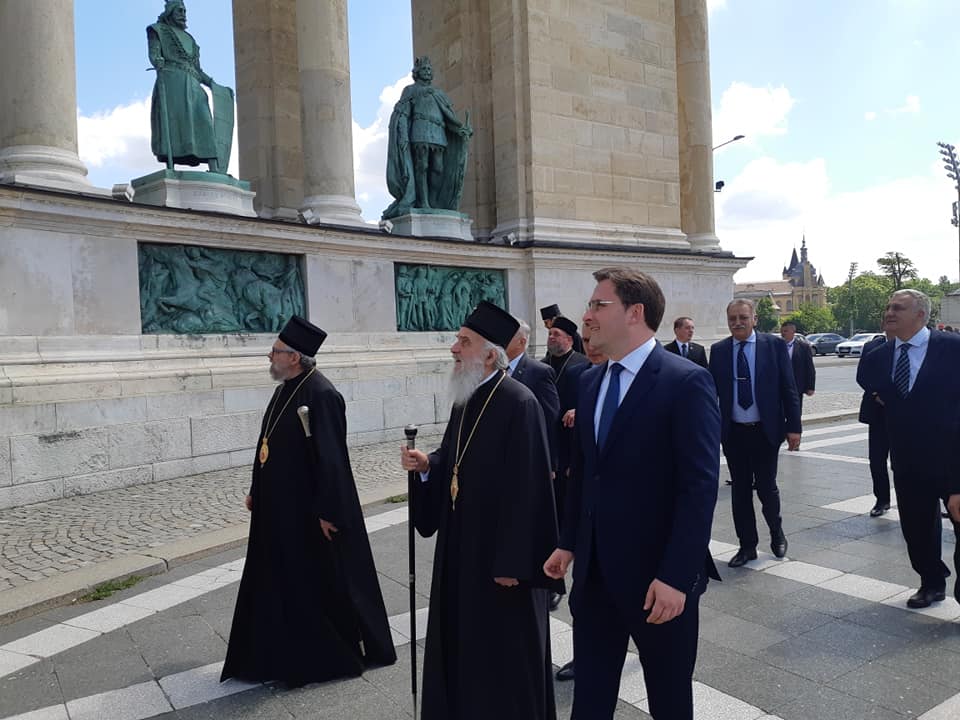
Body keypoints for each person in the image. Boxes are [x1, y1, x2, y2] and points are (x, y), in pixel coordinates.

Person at [544, 267, 721, 720]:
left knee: (668, 698)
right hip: (595, 576)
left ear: (635, 313)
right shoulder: (588, 381)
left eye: (598, 305)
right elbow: (584, 473)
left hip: (657, 582)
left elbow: (698, 486)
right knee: (591, 697)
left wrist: (677, 577)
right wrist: (567, 541)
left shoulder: (685, 381)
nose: (587, 315)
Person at [400, 301, 560, 720]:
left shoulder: (520, 403)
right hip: (461, 551)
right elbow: (452, 457)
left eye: (464, 341)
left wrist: (514, 563)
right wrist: (427, 466)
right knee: (464, 647)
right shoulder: (466, 398)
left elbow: (530, 491)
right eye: (457, 340)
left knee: (502, 660)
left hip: (499, 565)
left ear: (491, 354)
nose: (454, 348)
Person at [221, 316, 396, 686]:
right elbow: (266, 443)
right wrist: (257, 488)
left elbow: (332, 458)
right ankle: (269, 653)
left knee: (307, 587)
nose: (269, 355)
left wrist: (329, 511)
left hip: (304, 513)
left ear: (295, 357)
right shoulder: (285, 387)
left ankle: (319, 657)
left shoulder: (322, 394)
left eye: (276, 351)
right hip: (276, 509)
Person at [857, 289, 960, 609]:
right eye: (888, 307)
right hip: (907, 461)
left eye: (898, 307)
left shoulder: (953, 349)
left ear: (921, 314)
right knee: (916, 528)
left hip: (952, 459)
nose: (889, 312)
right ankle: (931, 582)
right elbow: (873, 392)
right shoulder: (877, 357)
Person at [709, 299, 801, 568]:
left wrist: (793, 426)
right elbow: (712, 393)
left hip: (765, 430)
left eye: (742, 317)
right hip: (734, 432)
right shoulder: (720, 350)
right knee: (739, 491)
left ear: (754, 319)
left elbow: (789, 388)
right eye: (732, 318)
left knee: (766, 488)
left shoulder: (773, 346)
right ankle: (747, 545)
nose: (737, 322)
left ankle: (777, 532)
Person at [553, 321, 609, 684]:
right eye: (585, 340)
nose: (589, 346)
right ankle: (583, 655)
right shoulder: (583, 378)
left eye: (593, 339)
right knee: (584, 601)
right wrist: (567, 542)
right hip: (588, 515)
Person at [147, 1, 232, 172]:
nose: (183, 14)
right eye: (179, 10)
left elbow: (198, 70)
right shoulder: (157, 30)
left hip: (194, 88)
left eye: (185, 10)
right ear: (170, 11)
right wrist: (158, 61)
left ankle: (215, 168)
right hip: (172, 85)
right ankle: (171, 167)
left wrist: (214, 84)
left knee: (205, 121)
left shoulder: (191, 39)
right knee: (174, 126)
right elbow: (154, 54)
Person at [383, 56, 472, 218]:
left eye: (429, 69)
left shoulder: (439, 93)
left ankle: (434, 201)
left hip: (438, 133)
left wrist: (461, 129)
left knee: (438, 168)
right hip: (420, 131)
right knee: (421, 166)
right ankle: (423, 202)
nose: (427, 71)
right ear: (416, 73)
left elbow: (448, 117)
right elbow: (402, 113)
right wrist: (402, 134)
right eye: (423, 69)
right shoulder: (411, 90)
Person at [858, 328, 894, 517]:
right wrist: (876, 394)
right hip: (878, 411)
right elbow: (862, 376)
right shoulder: (872, 347)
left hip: (904, 416)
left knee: (906, 462)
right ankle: (882, 500)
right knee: (877, 460)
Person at [780, 321, 816, 415]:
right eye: (782, 331)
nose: (783, 333)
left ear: (793, 331)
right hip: (780, 386)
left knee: (795, 413)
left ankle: (794, 428)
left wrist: (810, 386)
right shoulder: (776, 346)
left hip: (797, 386)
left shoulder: (803, 347)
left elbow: (809, 368)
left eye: (785, 331)